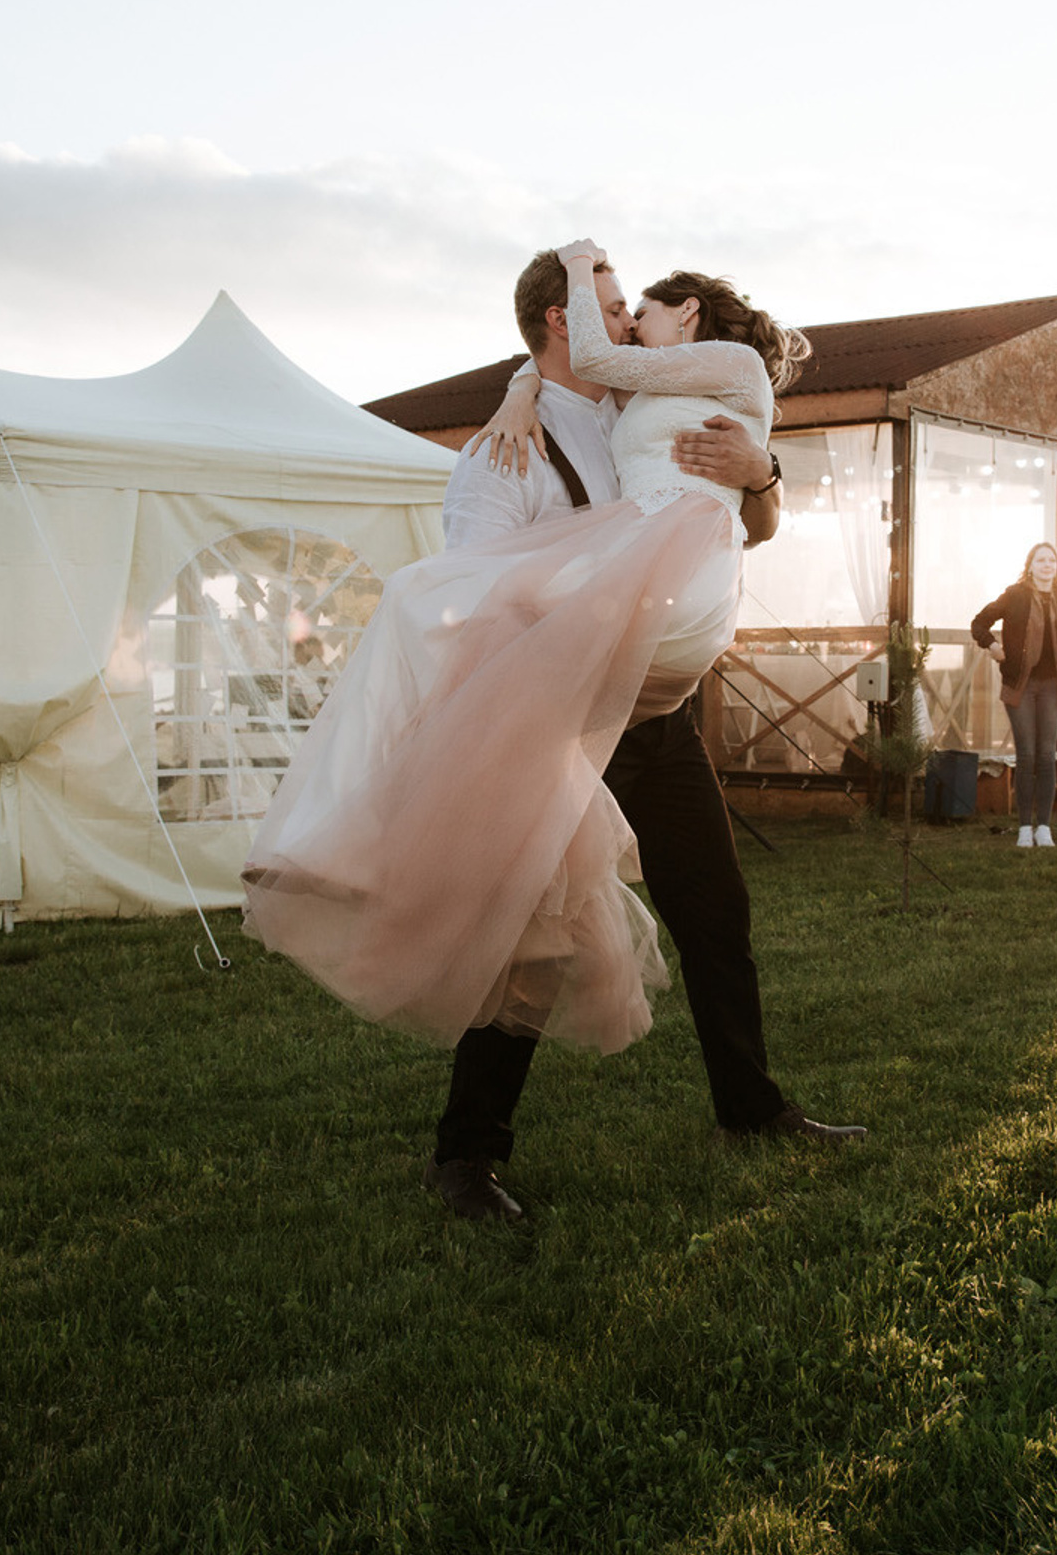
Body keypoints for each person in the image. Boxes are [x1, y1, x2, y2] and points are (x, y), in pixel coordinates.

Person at [247, 241, 863, 1224]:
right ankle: (466, 1158)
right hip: (561, 730)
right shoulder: (504, 454)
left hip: (655, 725)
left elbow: (748, 519)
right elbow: (475, 596)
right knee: (530, 943)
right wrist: (520, 399)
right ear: (559, 322)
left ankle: (751, 1109)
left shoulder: (634, 407)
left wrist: (765, 471)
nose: (627, 328)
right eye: (612, 311)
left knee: (716, 910)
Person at [970, 543, 1057, 848]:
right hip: (1021, 685)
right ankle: (1023, 829)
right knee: (1026, 754)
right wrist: (992, 646)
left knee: (1046, 755)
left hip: (1053, 686)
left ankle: (1044, 827)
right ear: (1030, 566)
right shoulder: (1014, 595)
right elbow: (979, 623)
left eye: (1051, 560)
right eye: (1040, 560)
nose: (1047, 565)